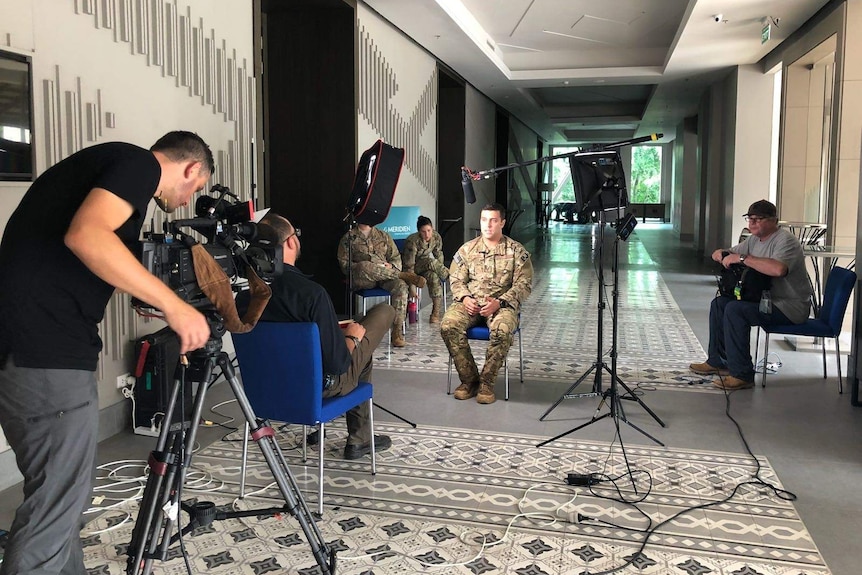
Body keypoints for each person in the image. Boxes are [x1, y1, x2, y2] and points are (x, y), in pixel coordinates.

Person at [0, 131, 214, 575]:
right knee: (53, 508)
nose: (189, 199)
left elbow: (77, 253)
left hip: (29, 350)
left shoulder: (103, 166)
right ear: (191, 169)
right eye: (196, 189)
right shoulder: (138, 164)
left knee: (63, 498)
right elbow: (87, 235)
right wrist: (175, 306)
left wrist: (143, 290)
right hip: (46, 354)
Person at [237, 212, 393, 458]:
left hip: (263, 391)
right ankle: (359, 439)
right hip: (317, 389)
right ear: (290, 242)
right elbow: (338, 364)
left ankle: (360, 438)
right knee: (383, 314)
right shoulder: (312, 295)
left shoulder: (245, 298)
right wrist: (350, 337)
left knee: (361, 352)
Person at [690, 199, 813, 390]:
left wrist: (743, 258)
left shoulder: (785, 241)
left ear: (774, 220)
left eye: (759, 219)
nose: (752, 223)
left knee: (735, 310)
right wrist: (723, 255)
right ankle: (719, 361)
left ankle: (742, 374)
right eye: (750, 218)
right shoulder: (754, 240)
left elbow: (778, 269)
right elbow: (724, 252)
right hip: (765, 302)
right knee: (720, 304)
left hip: (788, 306)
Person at [440, 203, 533, 404]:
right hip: (470, 304)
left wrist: (500, 302)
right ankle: (469, 380)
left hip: (501, 306)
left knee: (502, 329)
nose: (488, 225)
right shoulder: (467, 249)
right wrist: (465, 298)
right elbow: (455, 279)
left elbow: (524, 284)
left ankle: (487, 383)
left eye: (493, 220)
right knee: (448, 325)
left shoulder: (516, 251)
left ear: (502, 223)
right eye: (484, 220)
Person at [337, 222, 426, 347]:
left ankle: (397, 332)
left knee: (401, 286)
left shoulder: (383, 235)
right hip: (364, 278)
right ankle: (403, 275)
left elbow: (395, 257)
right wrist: (359, 267)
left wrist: (392, 266)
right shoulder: (349, 237)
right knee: (364, 266)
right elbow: (344, 265)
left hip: (385, 277)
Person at [403, 215, 449, 323]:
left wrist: (439, 269)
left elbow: (439, 254)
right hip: (413, 267)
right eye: (423, 231)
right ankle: (449, 276)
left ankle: (435, 313)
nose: (427, 234)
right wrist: (412, 285)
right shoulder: (412, 241)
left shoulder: (436, 237)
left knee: (433, 276)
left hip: (427, 267)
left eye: (429, 230)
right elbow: (409, 266)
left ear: (432, 228)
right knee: (430, 262)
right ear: (419, 231)